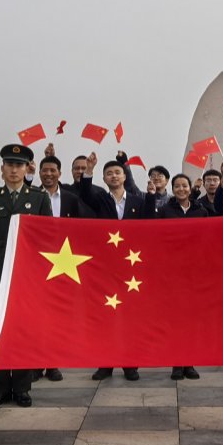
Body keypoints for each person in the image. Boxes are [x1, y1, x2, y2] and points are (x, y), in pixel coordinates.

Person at [0, 144, 52, 404]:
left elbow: (48, 239)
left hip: (27, 272)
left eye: (19, 165)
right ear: (2, 169)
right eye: (10, 165)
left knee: (23, 328)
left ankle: (22, 387)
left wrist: (43, 276)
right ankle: (0, 387)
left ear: (27, 168)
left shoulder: (39, 198)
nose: (14, 170)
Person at [76, 156, 146, 381]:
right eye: (109, 174)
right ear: (104, 179)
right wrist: (89, 170)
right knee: (105, 316)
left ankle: (130, 365)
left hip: (131, 268)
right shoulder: (99, 199)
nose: (114, 176)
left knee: (130, 318)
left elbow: (149, 230)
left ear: (125, 176)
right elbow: (84, 193)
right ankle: (104, 364)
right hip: (105, 267)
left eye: (117, 172)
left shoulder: (138, 202)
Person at [34, 150, 89, 383]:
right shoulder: (32, 195)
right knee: (37, 314)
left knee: (57, 314)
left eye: (52, 170)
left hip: (64, 262)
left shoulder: (70, 198)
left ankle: (53, 363)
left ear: (59, 173)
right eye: (44, 170)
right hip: (36, 262)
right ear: (39, 173)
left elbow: (82, 228)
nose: (48, 174)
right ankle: (36, 362)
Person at [154, 174, 208, 380]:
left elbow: (209, 237)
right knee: (175, 319)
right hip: (172, 273)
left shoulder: (201, 211)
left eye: (184, 185)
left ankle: (190, 363)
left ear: (190, 188)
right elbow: (157, 237)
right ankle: (177, 364)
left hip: (195, 272)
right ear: (173, 189)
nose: (181, 189)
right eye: (177, 186)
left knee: (192, 320)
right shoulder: (165, 211)